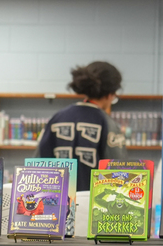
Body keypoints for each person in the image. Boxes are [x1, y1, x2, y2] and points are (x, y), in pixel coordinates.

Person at [35, 61, 128, 191]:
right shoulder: (108, 123)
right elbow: (118, 171)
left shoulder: (57, 119)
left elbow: (37, 165)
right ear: (110, 94)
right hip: (92, 201)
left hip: (56, 200)